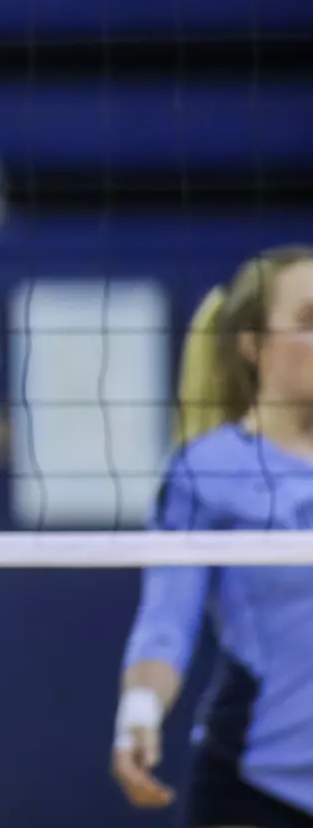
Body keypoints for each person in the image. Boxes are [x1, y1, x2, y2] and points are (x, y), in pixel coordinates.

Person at [112, 246, 313, 828]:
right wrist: (138, 716)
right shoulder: (210, 468)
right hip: (255, 786)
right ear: (253, 344)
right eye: (307, 321)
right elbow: (166, 620)